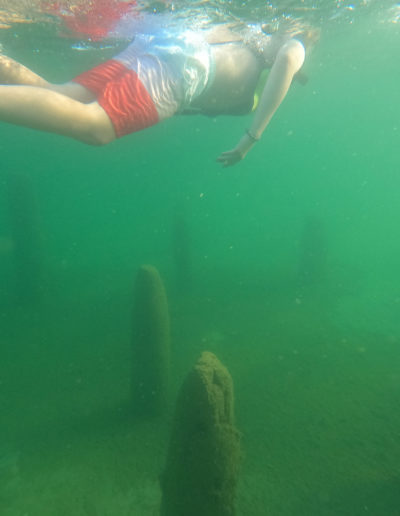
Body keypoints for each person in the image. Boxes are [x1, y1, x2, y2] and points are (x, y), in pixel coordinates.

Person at [0, 21, 318, 166]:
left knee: (66, 96)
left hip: (172, 40)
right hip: (190, 65)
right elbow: (291, 56)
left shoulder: (253, 32)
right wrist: (251, 139)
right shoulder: (293, 36)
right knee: (96, 127)